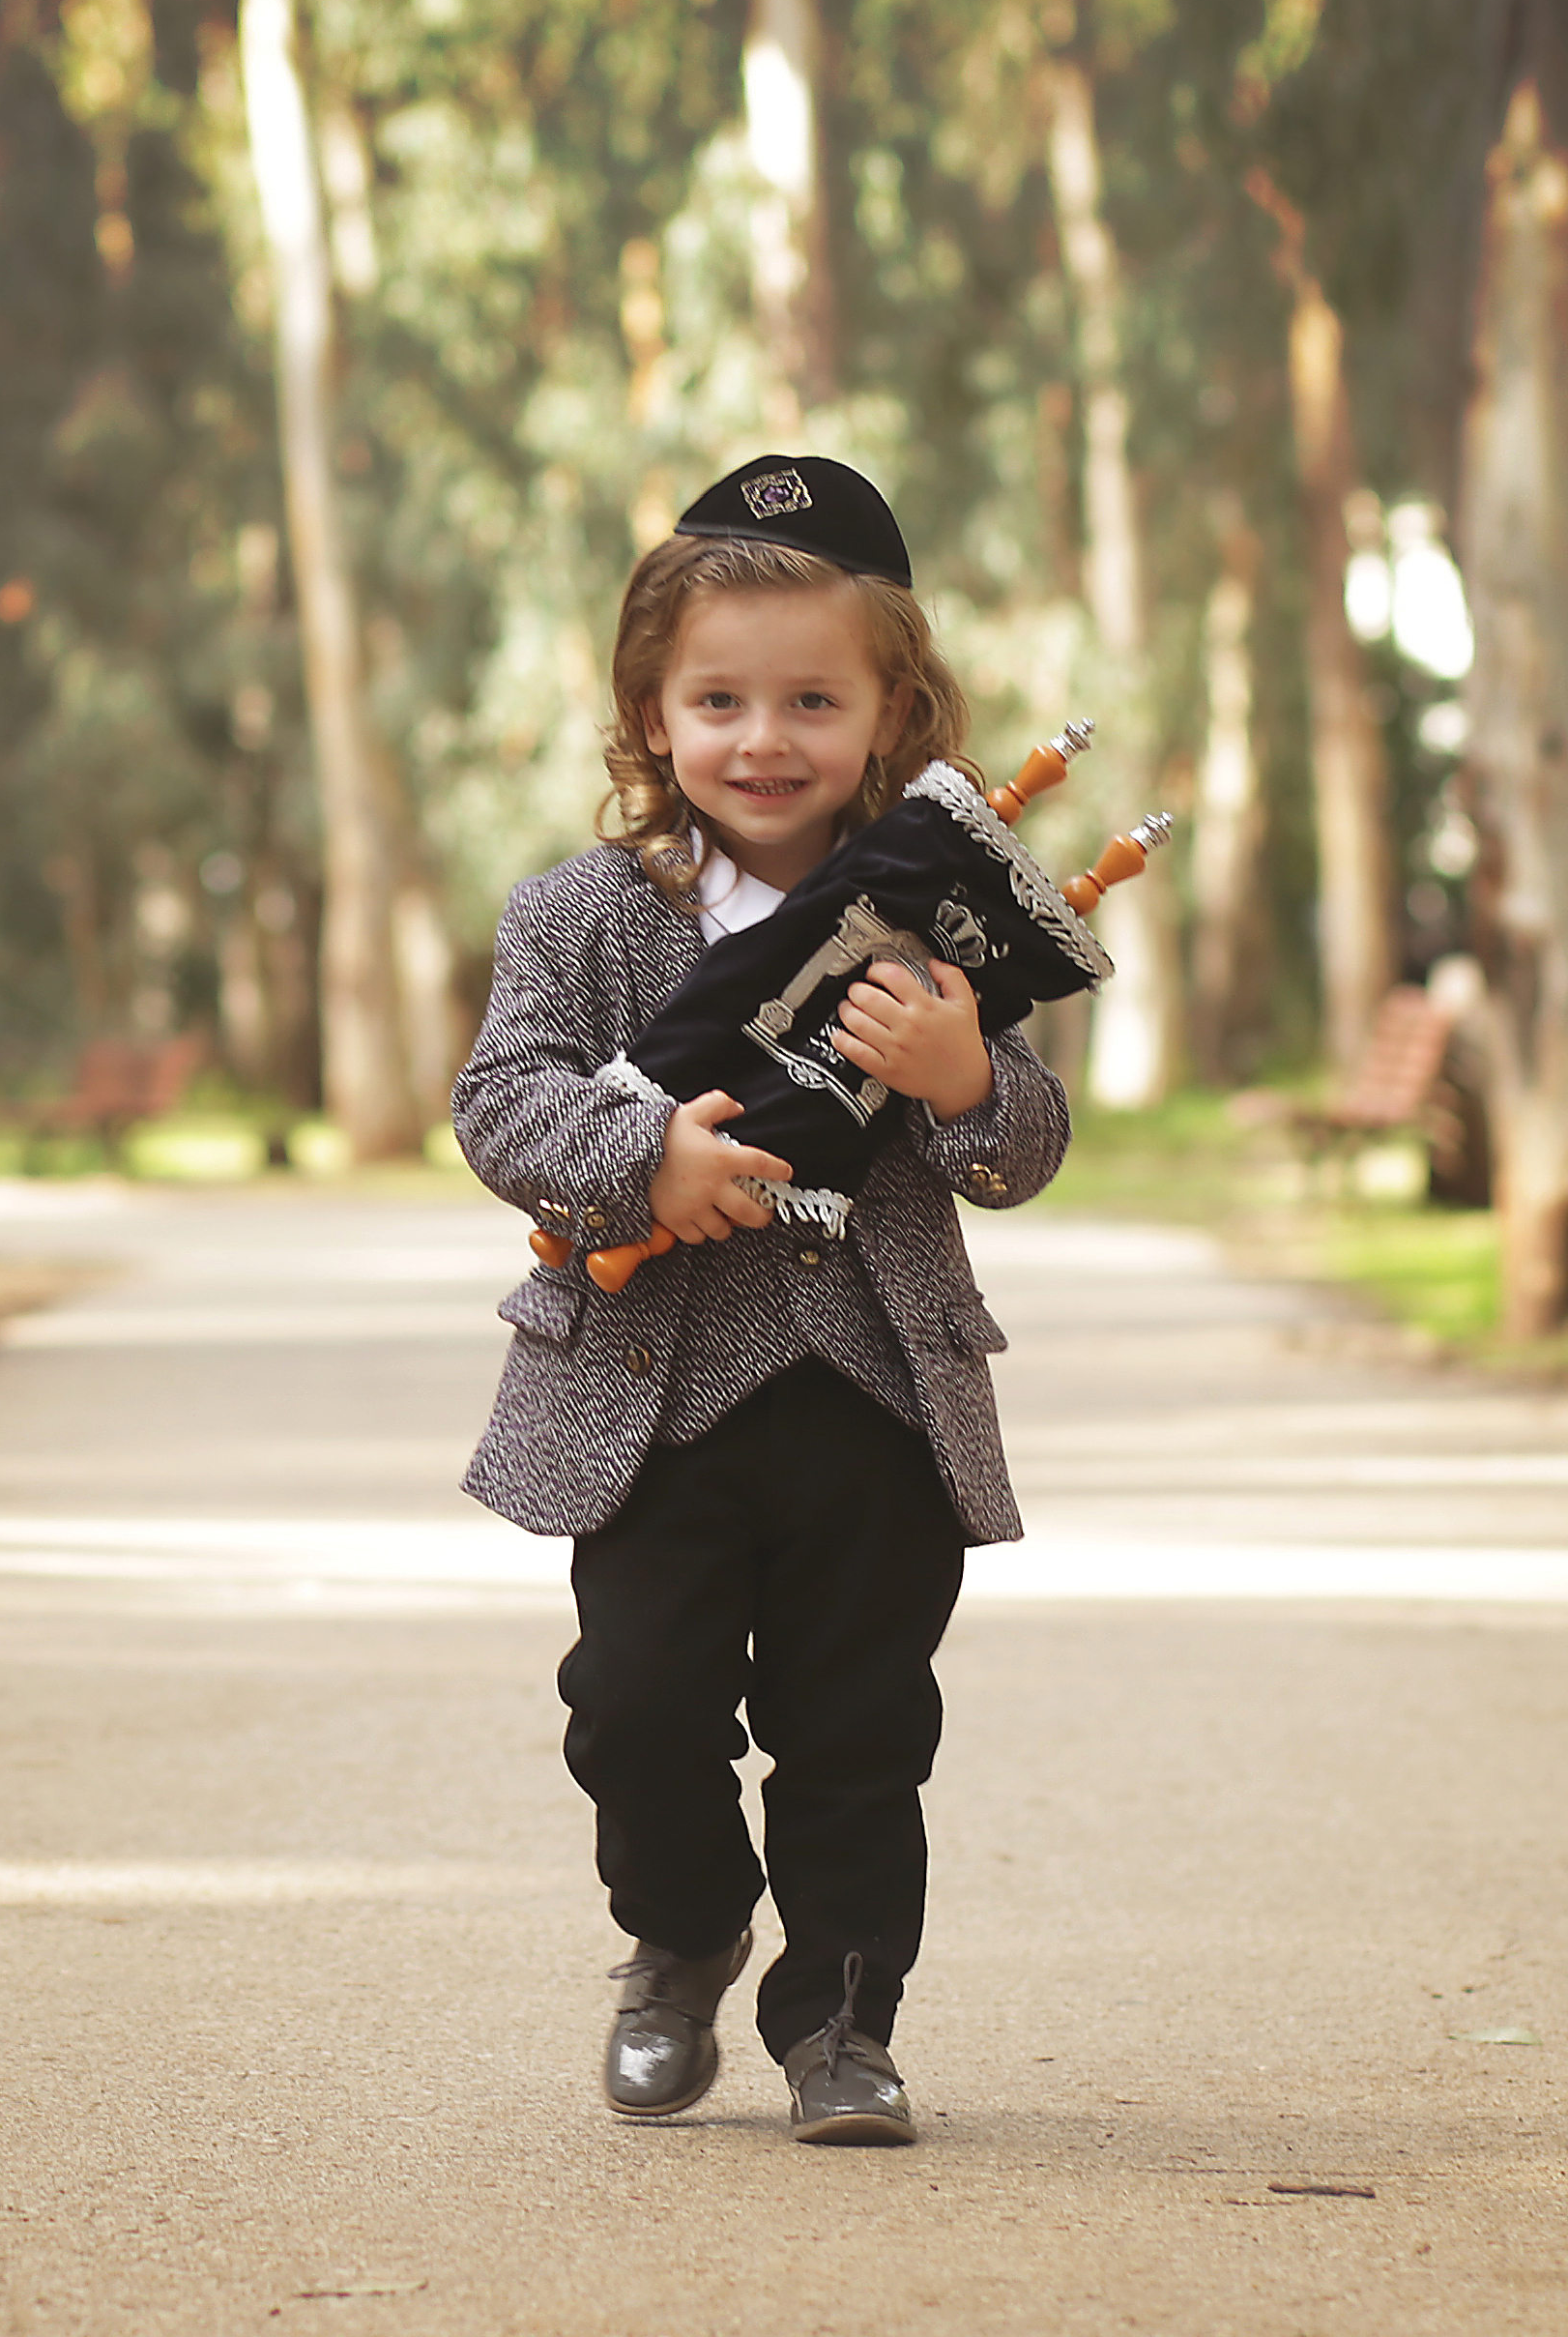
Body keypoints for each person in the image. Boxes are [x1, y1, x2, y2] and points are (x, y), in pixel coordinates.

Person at [450, 453, 1066, 2143]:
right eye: (717, 698)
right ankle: (681, 1928)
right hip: (651, 1396)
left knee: (860, 1734)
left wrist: (958, 1080)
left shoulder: (939, 917)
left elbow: (1019, 1153)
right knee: (630, 1706)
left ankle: (842, 2028)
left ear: (891, 716)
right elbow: (499, 1102)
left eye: (812, 698)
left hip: (874, 1397)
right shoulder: (579, 917)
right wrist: (635, 1161)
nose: (762, 737)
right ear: (652, 717)